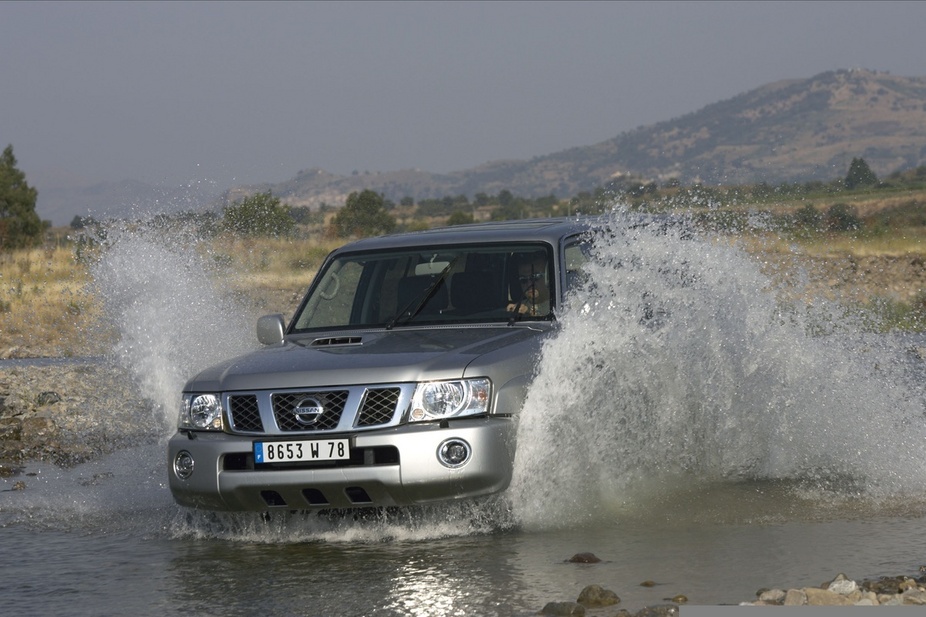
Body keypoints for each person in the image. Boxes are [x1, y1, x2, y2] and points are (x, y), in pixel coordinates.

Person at [507, 251, 551, 317]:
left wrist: (530, 313)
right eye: (523, 280)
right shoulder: (518, 307)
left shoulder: (565, 305)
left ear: (548, 277)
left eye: (534, 277)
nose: (529, 284)